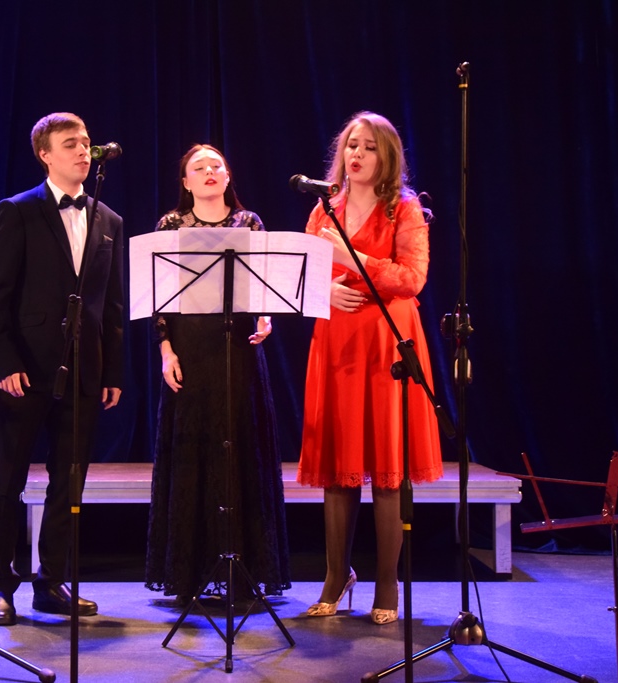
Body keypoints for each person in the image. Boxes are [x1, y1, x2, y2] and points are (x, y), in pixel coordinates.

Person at [297, 112, 443, 623]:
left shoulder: (404, 208)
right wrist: (323, 290)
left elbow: (413, 278)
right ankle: (336, 575)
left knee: (387, 467)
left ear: (388, 156)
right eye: (351, 145)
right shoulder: (325, 208)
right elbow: (301, 276)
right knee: (339, 466)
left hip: (386, 341)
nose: (356, 154)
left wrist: (350, 254)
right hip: (337, 340)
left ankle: (386, 582)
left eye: (369, 147)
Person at [0, 112, 124, 624]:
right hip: (25, 369)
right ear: (45, 154)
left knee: (69, 481)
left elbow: (111, 306)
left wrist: (112, 372)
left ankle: (52, 582)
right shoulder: (18, 210)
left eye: (86, 142)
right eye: (70, 144)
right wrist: (5, 362)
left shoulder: (109, 220)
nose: (83, 151)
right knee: (8, 479)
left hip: (84, 370)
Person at [145, 144, 291, 604]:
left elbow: (265, 286)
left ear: (228, 177)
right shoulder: (170, 225)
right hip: (190, 349)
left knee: (241, 447)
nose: (209, 172)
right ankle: (188, 573)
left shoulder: (249, 223)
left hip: (239, 348)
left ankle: (243, 571)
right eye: (198, 167)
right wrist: (166, 350)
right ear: (185, 182)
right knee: (192, 451)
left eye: (216, 166)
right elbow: (158, 297)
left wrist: (266, 315)